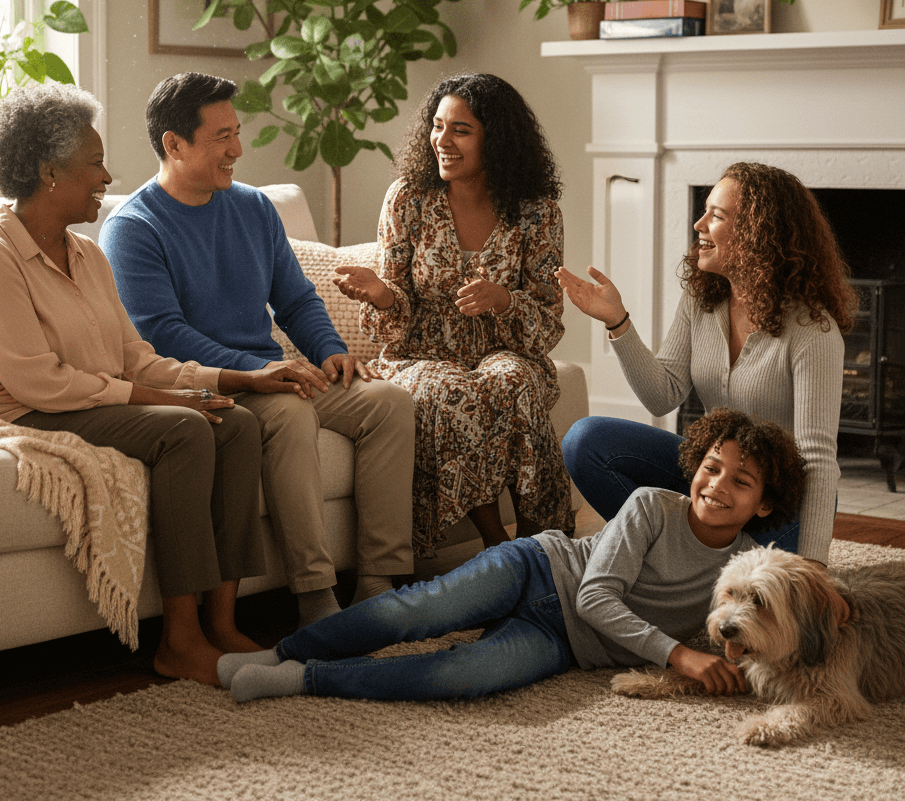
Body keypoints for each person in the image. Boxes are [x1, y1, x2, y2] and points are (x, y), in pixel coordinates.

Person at [0, 83, 266, 687]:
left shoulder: (88, 255)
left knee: (237, 420)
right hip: (23, 412)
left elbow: (133, 357)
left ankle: (223, 623)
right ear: (48, 172)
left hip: (87, 401)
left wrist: (233, 379)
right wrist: (164, 401)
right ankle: (180, 639)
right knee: (182, 430)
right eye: (93, 163)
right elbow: (40, 381)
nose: (107, 174)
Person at [99, 72, 415, 627]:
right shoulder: (133, 229)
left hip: (273, 371)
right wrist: (259, 370)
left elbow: (295, 299)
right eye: (221, 136)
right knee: (291, 412)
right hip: (209, 385)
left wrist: (329, 352)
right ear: (174, 144)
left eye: (236, 132)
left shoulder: (254, 208)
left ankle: (377, 583)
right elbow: (164, 336)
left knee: (388, 402)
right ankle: (316, 597)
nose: (236, 150)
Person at [217, 408, 805, 704]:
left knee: (460, 675)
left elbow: (770, 633)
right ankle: (281, 651)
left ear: (763, 504)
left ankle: (303, 678)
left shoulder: (751, 570)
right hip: (539, 569)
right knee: (409, 614)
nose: (717, 486)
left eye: (742, 482)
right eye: (711, 467)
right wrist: (678, 656)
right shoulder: (652, 505)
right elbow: (596, 595)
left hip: (565, 644)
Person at [556, 161, 856, 568]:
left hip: (777, 503)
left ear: (758, 234)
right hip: (712, 479)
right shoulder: (702, 301)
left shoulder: (811, 329)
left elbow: (818, 459)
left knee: (758, 580)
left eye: (715, 215)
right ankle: (672, 556)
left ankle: (679, 564)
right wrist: (617, 320)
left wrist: (815, 565)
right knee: (585, 441)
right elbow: (663, 395)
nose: (698, 224)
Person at [332, 73, 572, 554]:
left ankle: (537, 545)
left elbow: (548, 321)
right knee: (449, 392)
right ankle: (497, 546)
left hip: (505, 351)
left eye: (460, 130)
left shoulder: (537, 212)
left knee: (513, 382)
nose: (442, 140)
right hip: (421, 356)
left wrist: (503, 299)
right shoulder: (408, 199)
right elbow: (394, 322)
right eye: (437, 126)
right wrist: (382, 294)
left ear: (497, 139)